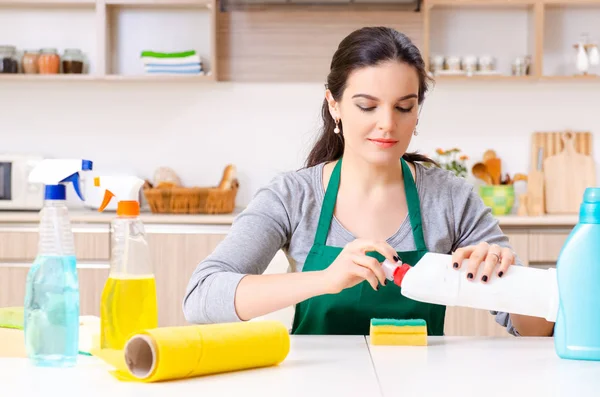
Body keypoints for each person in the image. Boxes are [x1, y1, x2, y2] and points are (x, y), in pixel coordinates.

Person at [182, 27, 554, 337]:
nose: (387, 124)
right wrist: (325, 279)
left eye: (403, 107)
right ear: (334, 105)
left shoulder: (451, 199)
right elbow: (200, 298)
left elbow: (536, 330)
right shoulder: (292, 197)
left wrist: (509, 285)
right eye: (367, 105)